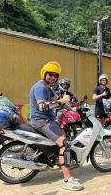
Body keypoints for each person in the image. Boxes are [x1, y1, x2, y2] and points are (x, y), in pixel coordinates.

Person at [29, 61, 83, 191]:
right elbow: (42, 106)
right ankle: (67, 179)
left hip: (47, 120)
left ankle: (59, 161)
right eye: (50, 75)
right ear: (44, 74)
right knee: (65, 144)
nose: (53, 77)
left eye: (55, 75)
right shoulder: (40, 87)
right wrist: (62, 101)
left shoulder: (47, 87)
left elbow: (58, 100)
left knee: (63, 137)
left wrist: (72, 109)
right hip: (42, 120)